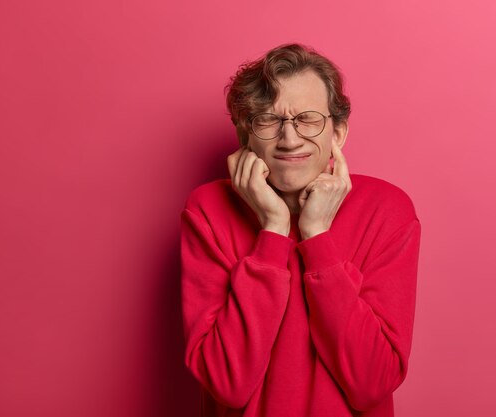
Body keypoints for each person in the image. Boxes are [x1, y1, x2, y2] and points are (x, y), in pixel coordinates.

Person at [180, 43, 422, 417]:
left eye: (308, 119)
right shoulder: (208, 211)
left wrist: (317, 238)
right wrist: (274, 230)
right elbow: (228, 383)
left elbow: (373, 382)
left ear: (338, 133)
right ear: (246, 135)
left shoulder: (386, 210)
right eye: (268, 120)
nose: (290, 139)